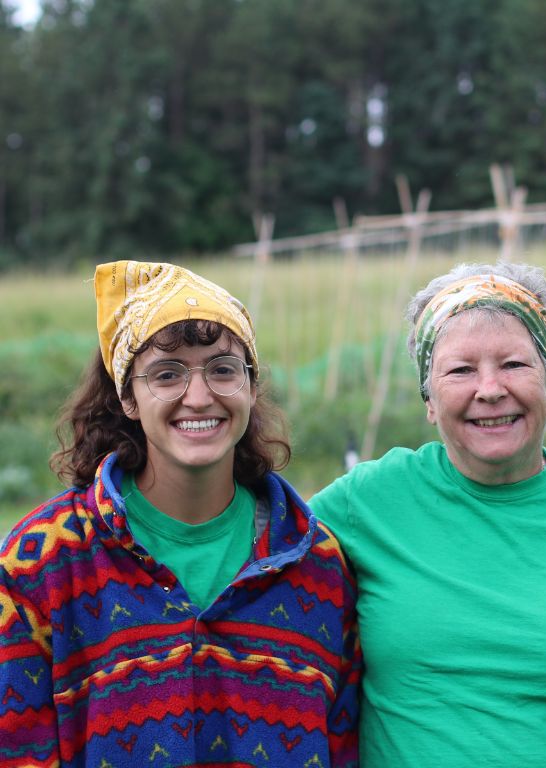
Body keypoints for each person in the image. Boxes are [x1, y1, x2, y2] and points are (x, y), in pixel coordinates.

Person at [309, 262, 546, 767]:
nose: (489, 389)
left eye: (514, 364)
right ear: (429, 399)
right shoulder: (364, 505)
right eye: (460, 370)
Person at [0, 261, 361, 766]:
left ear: (252, 387)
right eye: (166, 374)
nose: (198, 396)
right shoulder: (43, 564)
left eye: (222, 369)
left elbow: (344, 749)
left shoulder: (315, 563)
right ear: (127, 395)